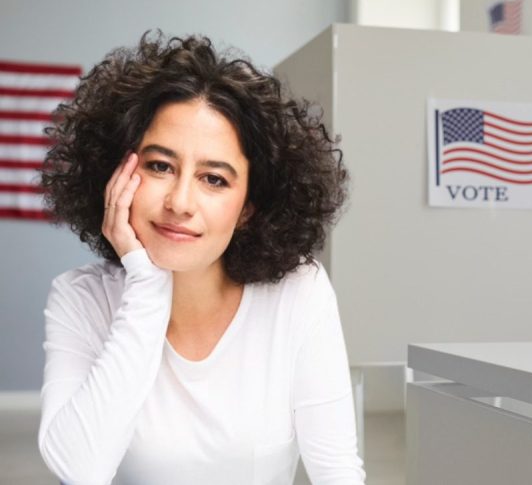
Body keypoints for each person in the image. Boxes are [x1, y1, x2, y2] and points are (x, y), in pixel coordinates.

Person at [37, 31, 365, 485]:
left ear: (248, 206)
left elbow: (337, 473)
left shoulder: (298, 291)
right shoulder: (80, 298)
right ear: (118, 175)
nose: (180, 202)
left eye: (214, 179)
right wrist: (147, 287)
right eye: (159, 166)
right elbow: (79, 470)